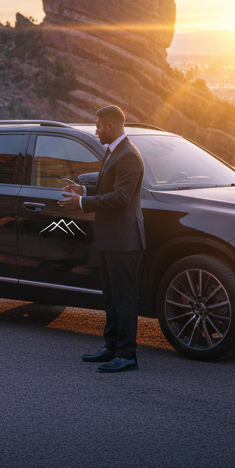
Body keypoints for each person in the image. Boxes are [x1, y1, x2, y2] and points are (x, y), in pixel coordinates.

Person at [59, 105, 146, 373]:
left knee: (124, 299)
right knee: (110, 297)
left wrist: (83, 202)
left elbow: (121, 197)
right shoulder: (114, 151)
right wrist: (83, 188)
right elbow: (108, 185)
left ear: (110, 126)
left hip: (124, 240)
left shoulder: (129, 155)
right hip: (110, 238)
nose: (95, 130)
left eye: (97, 125)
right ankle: (110, 348)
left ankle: (127, 355)